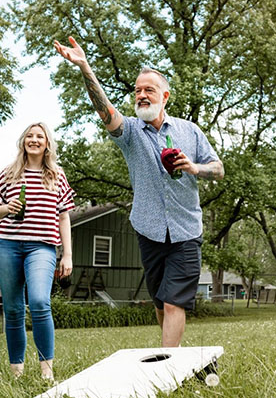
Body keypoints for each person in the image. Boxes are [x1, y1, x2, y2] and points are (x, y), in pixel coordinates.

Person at [54, 36, 224, 347]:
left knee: (174, 302)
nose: (142, 95)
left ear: (165, 96)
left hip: (186, 230)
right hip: (150, 230)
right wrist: (84, 67)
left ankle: (167, 366)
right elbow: (105, 110)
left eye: (149, 90)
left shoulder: (190, 131)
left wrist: (195, 168)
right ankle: (169, 352)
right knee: (161, 302)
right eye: (137, 91)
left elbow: (219, 168)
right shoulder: (131, 132)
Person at [0, 122, 75, 379]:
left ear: (47, 143)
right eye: (29, 136)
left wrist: (67, 254)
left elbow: (64, 217)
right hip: (7, 244)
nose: (34, 140)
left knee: (39, 301)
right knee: (13, 308)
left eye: (40, 136)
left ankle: (46, 372)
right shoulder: (10, 173)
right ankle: (17, 372)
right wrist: (7, 207)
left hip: (42, 246)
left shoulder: (57, 175)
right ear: (23, 141)